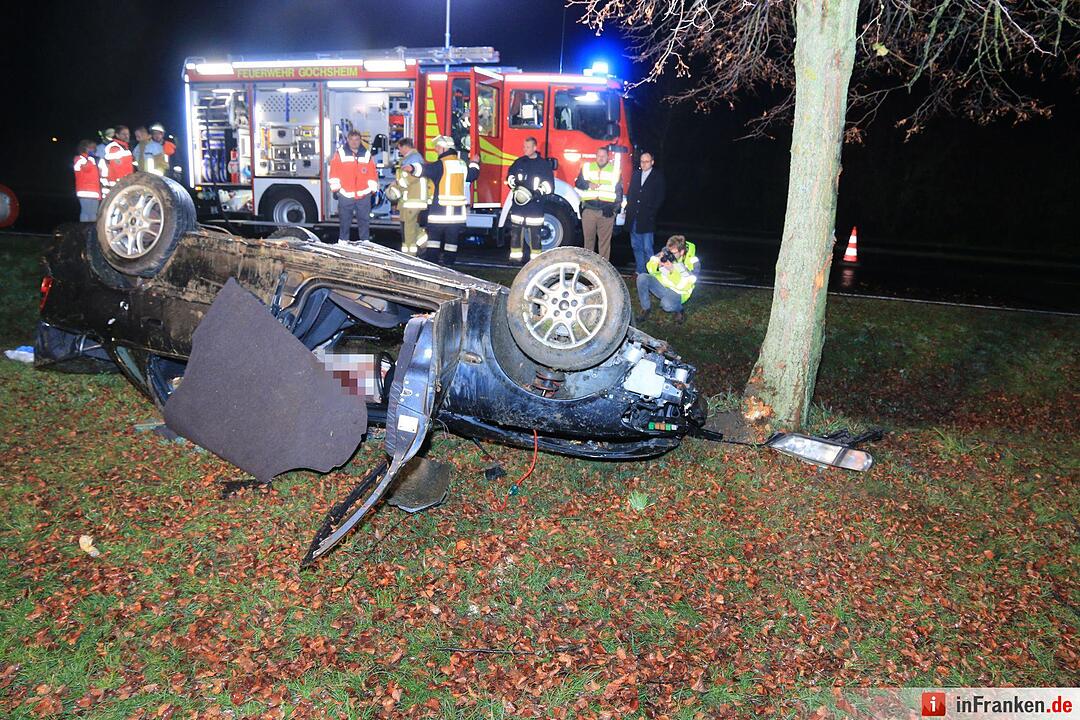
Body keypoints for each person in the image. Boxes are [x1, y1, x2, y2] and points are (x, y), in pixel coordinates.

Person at [407, 135, 479, 266]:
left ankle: (432, 267)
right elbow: (473, 175)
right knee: (451, 244)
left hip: (439, 213)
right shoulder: (462, 164)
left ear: (445, 148)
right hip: (457, 215)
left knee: (433, 243)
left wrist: (412, 168)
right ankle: (449, 266)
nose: (436, 149)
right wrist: (474, 163)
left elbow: (425, 170)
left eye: (438, 147)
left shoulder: (442, 165)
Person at [506, 137, 554, 264]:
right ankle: (515, 259)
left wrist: (536, 194)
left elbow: (549, 185)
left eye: (527, 147)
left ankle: (535, 261)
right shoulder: (519, 162)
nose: (524, 149)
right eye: (524, 147)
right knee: (516, 234)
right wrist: (514, 184)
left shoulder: (543, 165)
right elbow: (509, 177)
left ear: (535, 148)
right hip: (518, 206)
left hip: (535, 206)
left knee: (535, 236)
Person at [636, 234, 700, 325]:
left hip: (679, 292)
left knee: (666, 305)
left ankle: (679, 309)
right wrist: (657, 265)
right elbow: (650, 267)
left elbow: (686, 285)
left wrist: (672, 271)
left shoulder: (692, 262)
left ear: (681, 252)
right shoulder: (667, 252)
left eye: (673, 253)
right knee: (642, 278)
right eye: (669, 251)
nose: (670, 255)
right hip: (662, 286)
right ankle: (645, 308)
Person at [328, 130, 378, 244]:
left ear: (360, 140)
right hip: (345, 194)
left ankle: (365, 243)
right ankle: (343, 242)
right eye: (351, 139)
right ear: (348, 140)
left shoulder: (366, 154)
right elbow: (334, 173)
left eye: (356, 139)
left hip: (363, 194)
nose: (354, 142)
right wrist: (336, 189)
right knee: (345, 221)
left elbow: (372, 173)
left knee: (364, 220)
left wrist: (372, 191)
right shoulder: (340, 154)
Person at [574, 146, 622, 260]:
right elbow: (578, 183)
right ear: (596, 156)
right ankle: (587, 267)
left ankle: (603, 271)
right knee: (588, 242)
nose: (601, 158)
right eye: (599, 156)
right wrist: (588, 184)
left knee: (604, 244)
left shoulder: (614, 171)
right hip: (589, 209)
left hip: (606, 212)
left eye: (603, 156)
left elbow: (619, 192)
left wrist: (615, 210)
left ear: (608, 157)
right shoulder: (587, 168)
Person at [625, 152, 666, 276]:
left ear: (652, 162)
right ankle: (640, 270)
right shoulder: (636, 175)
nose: (644, 164)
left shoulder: (657, 177)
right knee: (636, 246)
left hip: (647, 218)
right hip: (634, 217)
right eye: (642, 161)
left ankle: (651, 272)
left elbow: (660, 197)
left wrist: (651, 211)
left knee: (648, 247)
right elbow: (631, 193)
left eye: (647, 161)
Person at [389, 138, 429, 255]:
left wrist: (394, 187)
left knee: (408, 230)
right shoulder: (415, 158)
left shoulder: (412, 160)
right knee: (413, 227)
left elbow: (406, 180)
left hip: (412, 199)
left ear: (404, 147)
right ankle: (425, 243)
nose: (399, 151)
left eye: (399, 148)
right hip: (414, 199)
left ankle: (409, 255)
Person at [98, 126, 133, 197]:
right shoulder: (115, 147)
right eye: (124, 134)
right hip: (118, 186)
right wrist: (124, 183)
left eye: (128, 134)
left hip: (124, 184)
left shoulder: (124, 147)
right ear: (117, 135)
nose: (127, 136)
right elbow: (117, 169)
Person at [73, 140, 101, 221]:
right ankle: (85, 230)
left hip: (94, 192)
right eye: (91, 148)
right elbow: (86, 168)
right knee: (86, 213)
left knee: (93, 214)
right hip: (85, 192)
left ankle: (91, 231)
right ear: (84, 148)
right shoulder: (79, 159)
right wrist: (91, 159)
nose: (93, 149)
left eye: (94, 148)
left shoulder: (93, 160)